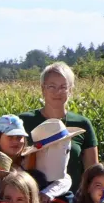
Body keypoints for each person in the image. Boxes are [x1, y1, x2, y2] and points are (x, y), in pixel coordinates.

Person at [17, 62, 98, 191]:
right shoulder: (24, 121)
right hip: (30, 199)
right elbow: (11, 161)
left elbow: (92, 171)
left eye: (63, 87)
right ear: (43, 89)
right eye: (51, 86)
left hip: (71, 202)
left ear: (70, 90)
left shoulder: (82, 124)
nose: (57, 92)